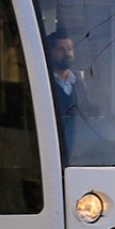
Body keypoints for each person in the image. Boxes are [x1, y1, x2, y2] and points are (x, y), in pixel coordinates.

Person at [47, 30, 84, 158]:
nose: (67, 53)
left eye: (69, 49)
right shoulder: (45, 81)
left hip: (78, 149)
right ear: (50, 52)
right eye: (61, 49)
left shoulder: (78, 82)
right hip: (52, 147)